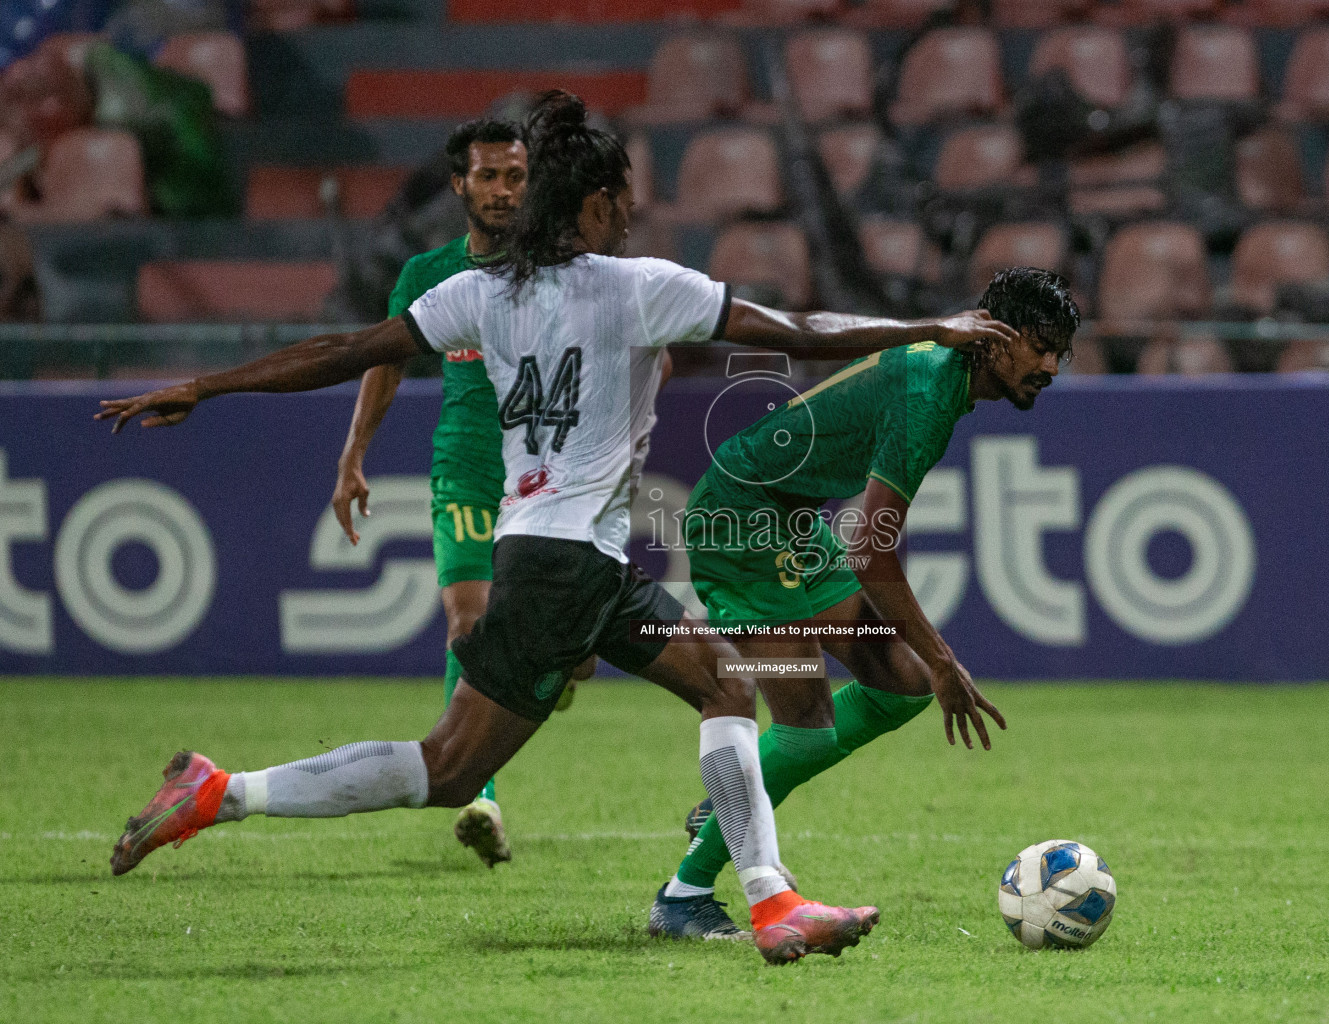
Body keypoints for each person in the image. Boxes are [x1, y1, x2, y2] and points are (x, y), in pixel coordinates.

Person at [95, 90, 1019, 965]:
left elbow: (344, 351)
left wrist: (207, 385)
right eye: (622, 202)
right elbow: (801, 327)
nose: (631, 217)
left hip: (562, 554)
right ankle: (223, 794)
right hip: (565, 566)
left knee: (725, 688)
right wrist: (927, 326)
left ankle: (768, 901)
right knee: (450, 766)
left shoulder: (481, 293)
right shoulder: (636, 286)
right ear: (593, 208)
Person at [649, 267, 1077, 940]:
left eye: (1061, 351)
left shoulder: (946, 377)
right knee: (811, 723)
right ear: (993, 336)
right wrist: (944, 658)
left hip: (787, 516)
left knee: (900, 685)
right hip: (742, 515)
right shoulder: (930, 393)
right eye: (1039, 344)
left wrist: (928, 666)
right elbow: (871, 551)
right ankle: (683, 894)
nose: (1050, 365)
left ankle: (741, 795)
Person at [331, 117, 542, 870]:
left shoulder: (557, 271)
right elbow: (384, 364)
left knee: (561, 653)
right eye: (488, 177)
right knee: (468, 619)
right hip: (466, 466)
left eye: (515, 177)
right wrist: (354, 454)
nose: (502, 191)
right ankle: (478, 790)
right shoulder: (427, 275)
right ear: (460, 185)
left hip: (547, 474)